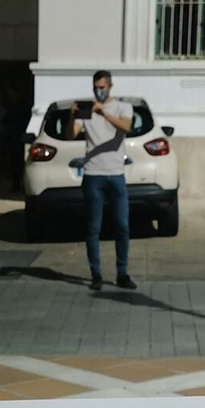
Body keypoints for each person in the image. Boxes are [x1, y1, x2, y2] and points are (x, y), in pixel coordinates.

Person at [69, 69, 136, 292]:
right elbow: (72, 134)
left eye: (102, 87)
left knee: (122, 226)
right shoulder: (87, 110)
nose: (99, 91)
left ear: (110, 87)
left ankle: (122, 272)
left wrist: (104, 113)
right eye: (96, 87)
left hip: (116, 173)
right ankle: (95, 273)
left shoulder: (122, 107)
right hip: (93, 175)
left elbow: (126, 127)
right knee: (93, 227)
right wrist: (73, 115)